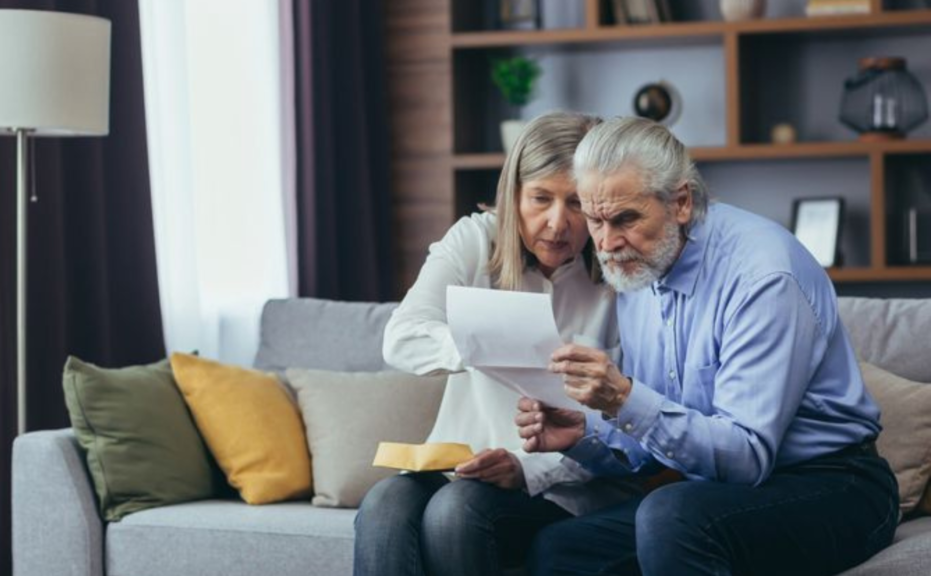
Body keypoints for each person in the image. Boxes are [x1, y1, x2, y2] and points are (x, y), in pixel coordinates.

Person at [515, 116, 900, 576]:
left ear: (680, 202)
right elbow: (650, 445)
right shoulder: (638, 269)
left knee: (670, 516)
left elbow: (746, 457)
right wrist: (583, 435)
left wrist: (624, 398)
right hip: (714, 491)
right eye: (594, 219)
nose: (607, 242)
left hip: (836, 485)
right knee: (560, 549)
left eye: (625, 219)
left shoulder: (762, 276)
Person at [353, 111, 635, 576]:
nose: (556, 223)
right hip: (458, 467)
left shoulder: (619, 280)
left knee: (455, 511)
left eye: (576, 204)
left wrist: (527, 469)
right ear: (514, 195)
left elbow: (626, 428)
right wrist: (483, 340)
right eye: (540, 198)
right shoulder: (473, 240)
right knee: (385, 503)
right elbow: (400, 338)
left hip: (562, 487)